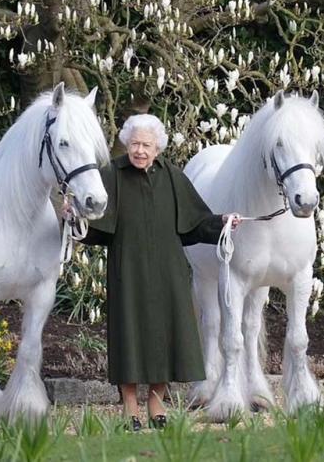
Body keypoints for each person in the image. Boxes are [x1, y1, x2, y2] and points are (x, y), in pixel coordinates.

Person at [75, 114, 240, 431]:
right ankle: (130, 406)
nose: (139, 150)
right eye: (135, 143)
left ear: (158, 148)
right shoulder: (111, 174)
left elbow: (195, 223)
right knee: (129, 337)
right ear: (126, 143)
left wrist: (223, 222)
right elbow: (95, 229)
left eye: (146, 145)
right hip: (128, 271)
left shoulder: (173, 177)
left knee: (167, 336)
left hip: (169, 272)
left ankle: (156, 401)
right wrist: (75, 220)